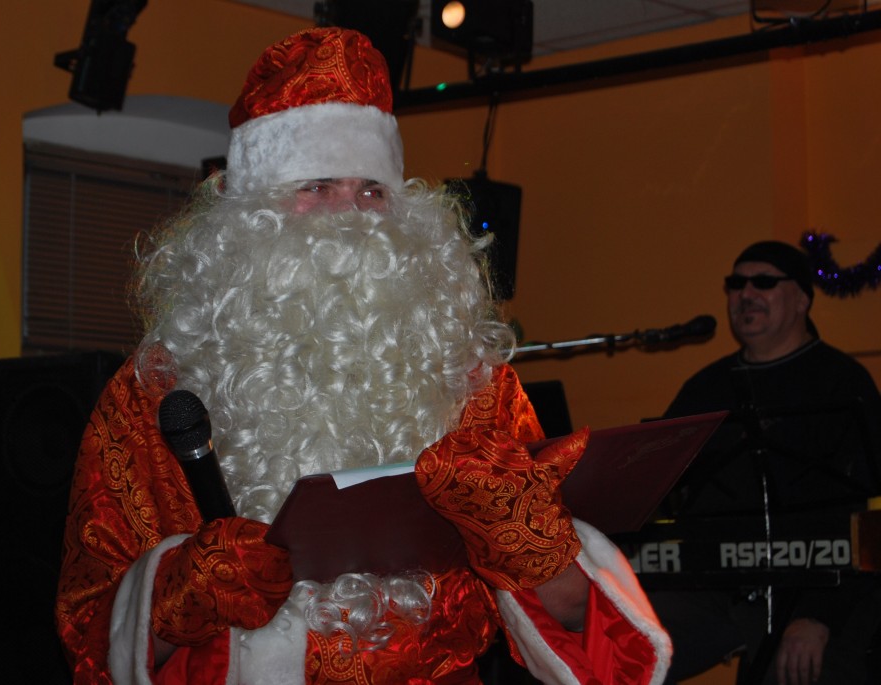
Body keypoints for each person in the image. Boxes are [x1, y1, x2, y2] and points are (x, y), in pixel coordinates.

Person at [55, 27, 670, 685]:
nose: (350, 215)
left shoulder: (475, 386)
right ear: (249, 215)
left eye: (372, 191)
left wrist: (531, 546)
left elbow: (592, 637)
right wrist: (183, 594)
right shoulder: (155, 392)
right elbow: (90, 635)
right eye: (317, 186)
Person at [651, 240, 881, 685]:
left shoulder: (842, 382)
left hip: (815, 581)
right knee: (614, 643)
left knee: (799, 669)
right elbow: (659, 478)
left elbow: (868, 518)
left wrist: (818, 615)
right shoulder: (706, 387)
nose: (746, 294)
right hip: (713, 579)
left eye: (763, 282)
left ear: (802, 299)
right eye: (736, 284)